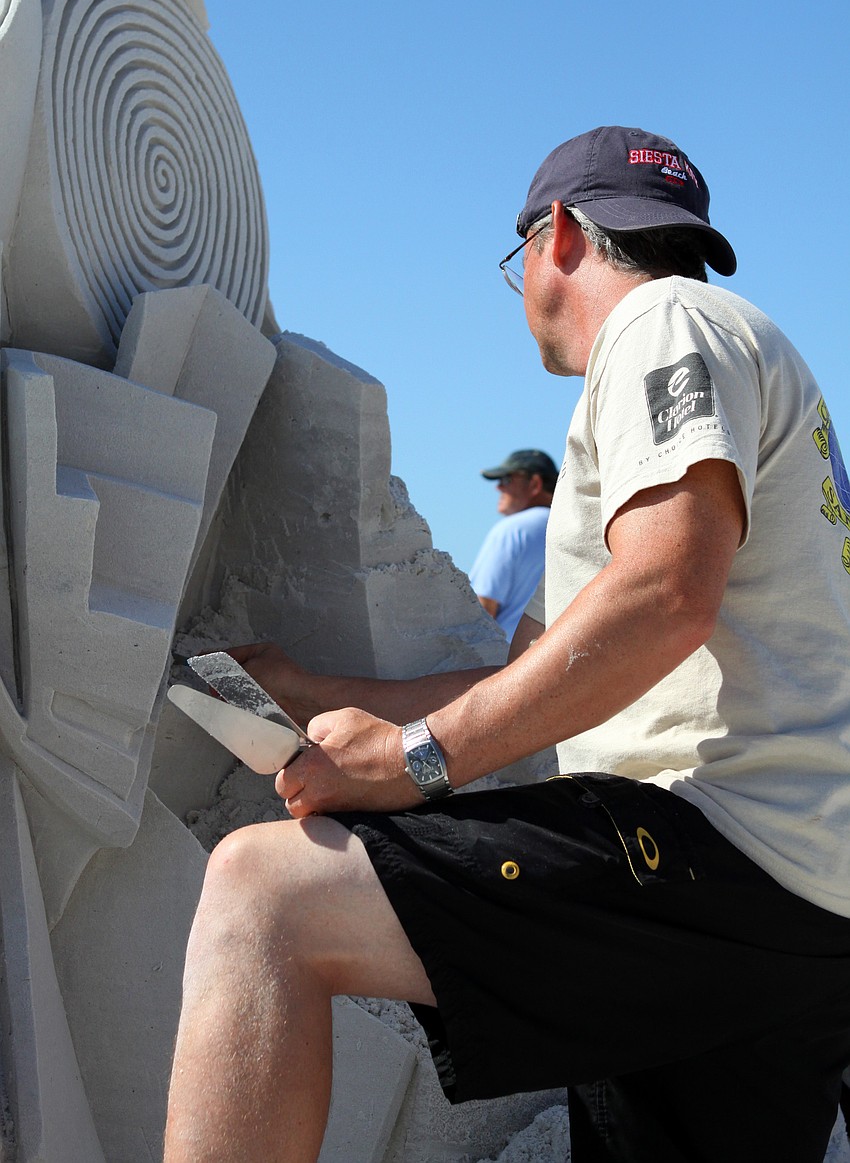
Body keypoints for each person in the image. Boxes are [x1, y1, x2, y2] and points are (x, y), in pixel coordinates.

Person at [164, 125, 850, 1163]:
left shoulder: (664, 322)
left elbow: (667, 593)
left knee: (265, 895)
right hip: (792, 897)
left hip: (722, 848)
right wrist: (316, 690)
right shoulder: (724, 355)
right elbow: (532, 674)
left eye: (513, 258)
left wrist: (412, 762)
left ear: (557, 237)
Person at [468, 448, 557, 640]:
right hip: (565, 658)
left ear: (535, 484)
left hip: (511, 659)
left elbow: (482, 610)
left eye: (506, 480)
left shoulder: (512, 530)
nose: (498, 488)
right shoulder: (576, 527)